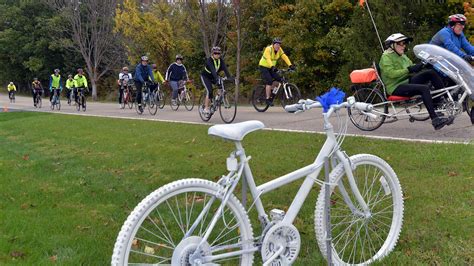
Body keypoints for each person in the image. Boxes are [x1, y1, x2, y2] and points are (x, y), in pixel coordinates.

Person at [379, 33, 453, 130]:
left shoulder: (402, 56)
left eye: (404, 43)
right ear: (393, 45)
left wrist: (423, 65)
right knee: (424, 89)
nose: (404, 46)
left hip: (406, 81)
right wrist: (409, 70)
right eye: (401, 43)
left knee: (430, 73)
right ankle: (435, 120)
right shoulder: (386, 57)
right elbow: (391, 74)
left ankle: (444, 100)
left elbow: (412, 66)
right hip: (395, 87)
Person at [258, 37, 295, 106]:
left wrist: (290, 65)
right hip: (264, 67)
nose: (278, 46)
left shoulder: (279, 50)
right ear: (273, 44)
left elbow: (284, 56)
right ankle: (267, 98)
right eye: (277, 44)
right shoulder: (268, 49)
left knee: (279, 80)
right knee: (269, 81)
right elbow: (268, 59)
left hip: (271, 67)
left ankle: (271, 95)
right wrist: (272, 67)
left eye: (279, 44)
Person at [200, 46, 233, 114]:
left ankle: (216, 100)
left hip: (214, 76)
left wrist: (230, 77)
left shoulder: (221, 60)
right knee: (209, 91)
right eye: (215, 53)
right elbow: (213, 70)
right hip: (206, 77)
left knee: (221, 86)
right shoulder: (209, 60)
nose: (217, 55)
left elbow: (225, 69)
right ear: (212, 54)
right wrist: (217, 78)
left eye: (218, 53)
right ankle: (206, 108)